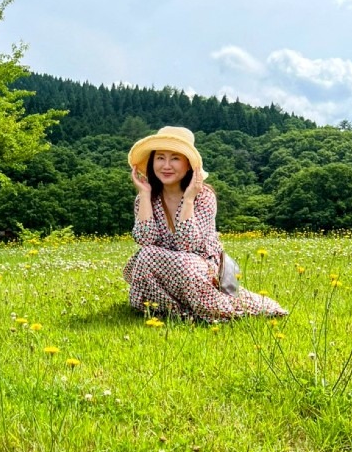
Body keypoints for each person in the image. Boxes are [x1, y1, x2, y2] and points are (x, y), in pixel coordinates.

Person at [123, 126, 287, 322]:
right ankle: (174, 309)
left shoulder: (204, 196)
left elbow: (188, 245)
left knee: (169, 260)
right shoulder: (147, 199)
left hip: (202, 266)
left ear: (188, 164)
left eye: (175, 158)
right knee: (144, 256)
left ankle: (218, 309)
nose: (166, 165)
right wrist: (144, 194)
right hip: (163, 267)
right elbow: (145, 239)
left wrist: (189, 198)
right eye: (160, 157)